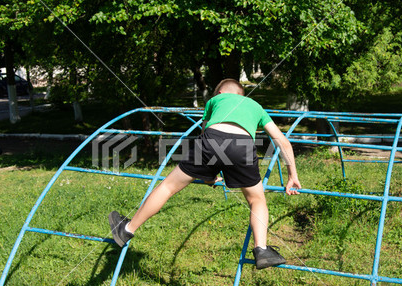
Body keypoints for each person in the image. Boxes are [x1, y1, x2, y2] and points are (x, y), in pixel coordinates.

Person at [109, 79, 302, 269]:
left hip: (212, 140)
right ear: (241, 95)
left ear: (219, 93)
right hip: (244, 146)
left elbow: (205, 134)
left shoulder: (214, 101)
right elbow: (282, 142)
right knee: (256, 199)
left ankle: (127, 230)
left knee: (167, 187)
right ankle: (261, 249)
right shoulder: (256, 106)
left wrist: (207, 172)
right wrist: (292, 175)